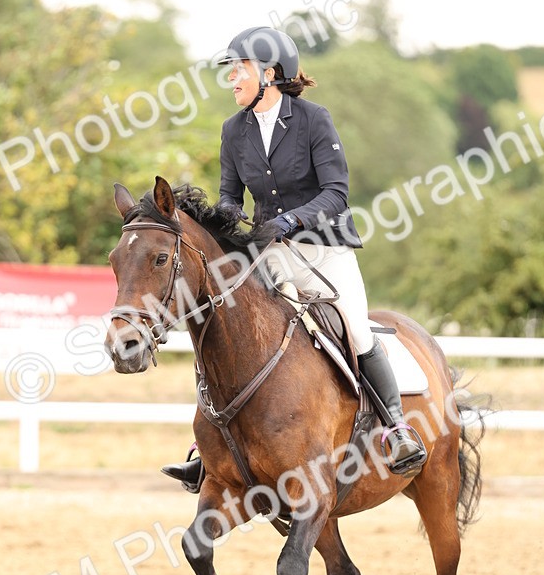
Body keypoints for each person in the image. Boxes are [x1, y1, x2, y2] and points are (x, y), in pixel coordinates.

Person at [162, 25, 427, 488]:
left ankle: (396, 428)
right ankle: (208, 447)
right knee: (229, 329)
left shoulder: (312, 119)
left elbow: (336, 193)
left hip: (325, 249)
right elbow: (230, 197)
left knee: (357, 329)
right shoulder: (233, 130)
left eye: (238, 70)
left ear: (269, 73)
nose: (231, 80)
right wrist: (223, 227)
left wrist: (291, 221)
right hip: (269, 253)